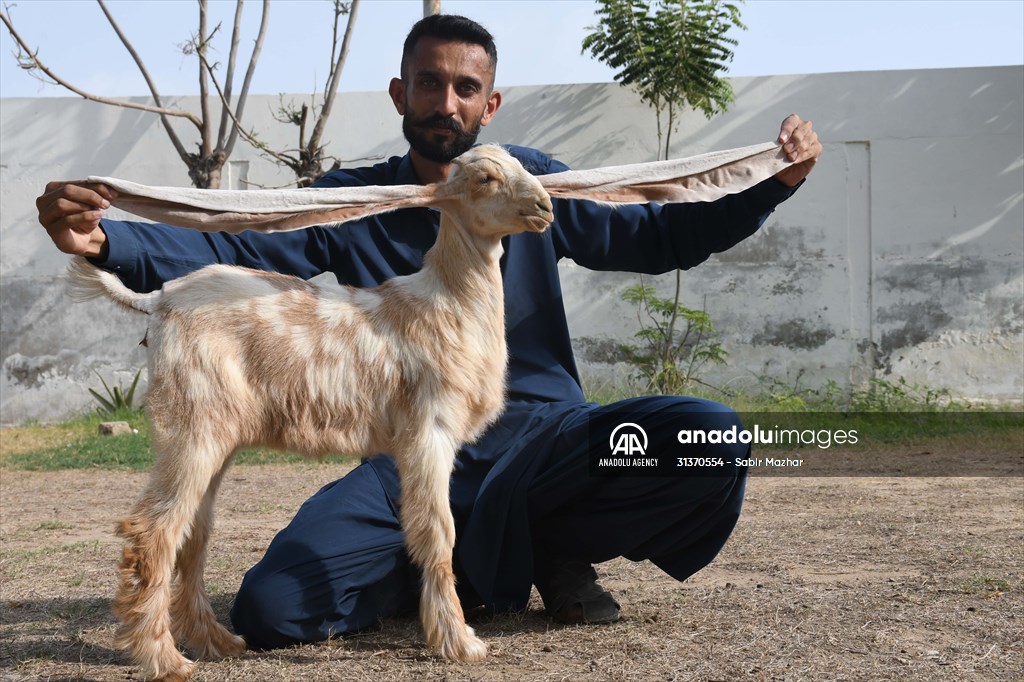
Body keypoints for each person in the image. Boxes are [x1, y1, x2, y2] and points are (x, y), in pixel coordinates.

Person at [36, 14, 821, 649]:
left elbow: (656, 235)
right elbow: (241, 241)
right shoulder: (356, 199)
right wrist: (109, 242)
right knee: (273, 610)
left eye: (465, 87)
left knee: (704, 437)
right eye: (430, 83)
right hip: (411, 453)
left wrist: (771, 185)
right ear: (400, 93)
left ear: (490, 104)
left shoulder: (526, 181)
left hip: (543, 434)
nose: (446, 101)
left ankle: (530, 542)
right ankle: (492, 561)